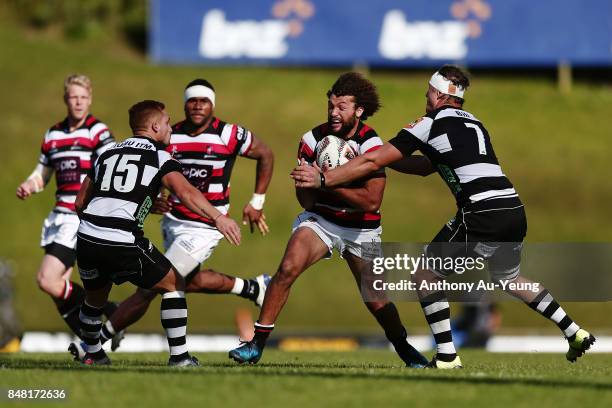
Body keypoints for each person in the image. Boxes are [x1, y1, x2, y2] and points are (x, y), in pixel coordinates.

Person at [291, 65, 595, 368]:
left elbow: (373, 158)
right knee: (509, 277)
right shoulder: (475, 123)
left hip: (480, 211)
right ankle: (574, 331)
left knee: (424, 274)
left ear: (438, 94)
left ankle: (447, 355)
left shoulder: (430, 123)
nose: (425, 97)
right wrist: (379, 161)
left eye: (428, 92)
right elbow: (425, 167)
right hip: (513, 208)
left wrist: (324, 180)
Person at [229, 72, 427, 367]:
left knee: (376, 298)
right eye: (331, 106)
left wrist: (326, 181)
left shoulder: (371, 144)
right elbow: (308, 201)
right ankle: (256, 344)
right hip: (321, 220)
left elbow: (372, 201)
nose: (334, 113)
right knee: (287, 267)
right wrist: (305, 185)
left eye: (342, 107)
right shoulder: (311, 141)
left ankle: (403, 347)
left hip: (363, 228)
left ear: (358, 111)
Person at [75, 79, 274, 355]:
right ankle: (252, 288)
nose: (197, 106)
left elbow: (265, 154)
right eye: (192, 100)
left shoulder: (229, 134)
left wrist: (255, 201)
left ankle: (100, 340)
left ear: (213, 104)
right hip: (173, 222)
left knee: (156, 286)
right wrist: (148, 202)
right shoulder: (169, 140)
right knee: (178, 281)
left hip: (203, 226)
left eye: (204, 100)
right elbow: (173, 187)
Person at [16, 74, 119, 343]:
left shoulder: (98, 132)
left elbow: (113, 167)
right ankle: (91, 346)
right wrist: (30, 184)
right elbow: (42, 174)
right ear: (65, 99)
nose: (78, 102)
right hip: (58, 218)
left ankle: (110, 309)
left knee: (46, 280)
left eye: (83, 97)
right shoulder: (53, 134)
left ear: (90, 99)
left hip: (80, 218)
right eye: (74, 97)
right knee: (58, 290)